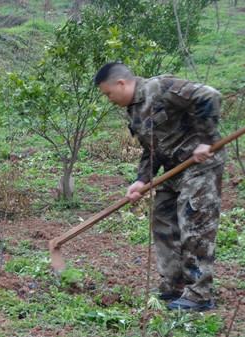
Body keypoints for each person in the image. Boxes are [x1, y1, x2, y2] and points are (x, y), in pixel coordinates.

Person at [94, 62, 226, 312]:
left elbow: (210, 95)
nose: (108, 99)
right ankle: (175, 284)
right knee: (163, 221)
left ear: (121, 84)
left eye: (108, 93)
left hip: (200, 166)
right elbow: (151, 148)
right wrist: (141, 180)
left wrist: (207, 140)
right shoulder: (134, 111)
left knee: (194, 223)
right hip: (174, 170)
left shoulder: (162, 87)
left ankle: (199, 294)